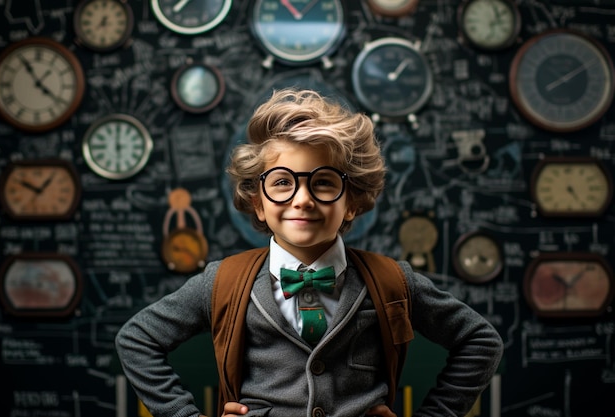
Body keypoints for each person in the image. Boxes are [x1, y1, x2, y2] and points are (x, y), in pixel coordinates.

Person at [115, 88, 504, 417]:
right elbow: (136, 339)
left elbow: (481, 341)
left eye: (323, 182)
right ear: (257, 203)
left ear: (352, 203)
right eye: (282, 182)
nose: (302, 200)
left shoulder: (392, 281)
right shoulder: (223, 281)